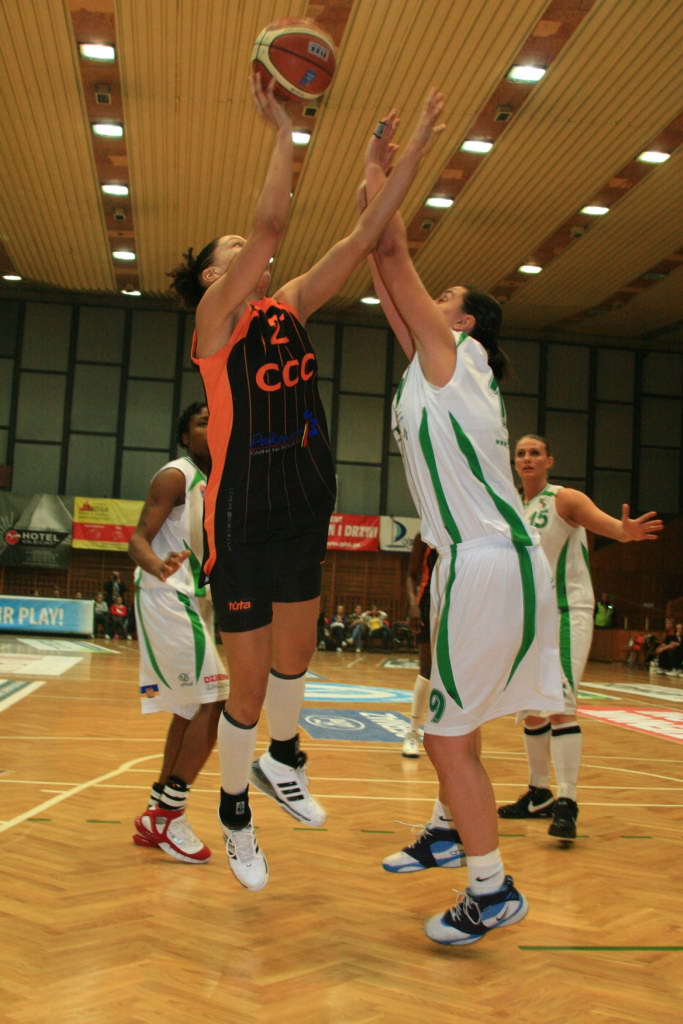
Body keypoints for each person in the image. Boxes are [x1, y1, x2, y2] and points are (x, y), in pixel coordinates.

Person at [167, 77, 445, 892]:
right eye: (229, 251)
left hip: (300, 505)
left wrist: (401, 155)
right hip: (242, 518)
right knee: (248, 688)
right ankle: (233, 815)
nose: (248, 251)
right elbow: (269, 226)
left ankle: (283, 762)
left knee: (297, 659)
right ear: (212, 278)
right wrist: (285, 130)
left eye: (242, 249)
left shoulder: (286, 307)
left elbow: (365, 235)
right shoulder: (214, 329)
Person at [363, 125, 565, 947]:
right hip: (470, 561)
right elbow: (379, 259)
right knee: (459, 717)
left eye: (443, 293)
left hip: (486, 561)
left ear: (465, 320)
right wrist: (370, 173)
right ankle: (450, 830)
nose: (429, 296)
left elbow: (390, 246)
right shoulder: (430, 364)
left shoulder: (452, 358)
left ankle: (491, 890)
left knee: (444, 733)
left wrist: (404, 158)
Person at [498, 435, 663, 840]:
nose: (527, 458)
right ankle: (539, 794)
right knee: (531, 708)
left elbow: (611, 528)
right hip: (529, 619)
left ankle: (567, 800)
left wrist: (624, 531)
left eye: (535, 453)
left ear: (549, 460)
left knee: (560, 705)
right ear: (514, 463)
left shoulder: (565, 499)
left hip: (566, 612)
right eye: (521, 453)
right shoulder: (511, 506)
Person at [128, 402, 230, 864]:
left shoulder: (218, 479)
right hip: (168, 594)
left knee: (191, 707)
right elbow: (137, 538)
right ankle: (170, 814)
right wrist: (159, 566)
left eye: (216, 420)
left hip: (194, 598)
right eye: (201, 422)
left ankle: (156, 811)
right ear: (185, 436)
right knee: (215, 700)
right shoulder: (176, 475)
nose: (211, 427)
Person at [401, 532, 436, 758]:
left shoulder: (465, 530)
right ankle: (412, 732)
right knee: (427, 670)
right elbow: (411, 575)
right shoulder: (425, 535)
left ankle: (446, 736)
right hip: (428, 604)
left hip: (457, 605)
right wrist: (413, 604)